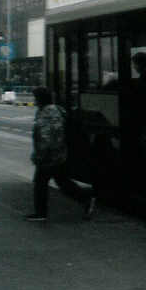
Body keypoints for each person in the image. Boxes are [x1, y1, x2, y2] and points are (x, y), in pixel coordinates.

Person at [25, 87, 96, 221]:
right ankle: (86, 199)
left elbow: (46, 139)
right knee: (63, 182)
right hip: (59, 153)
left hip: (50, 156)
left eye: (35, 97)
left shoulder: (47, 114)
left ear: (40, 99)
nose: (34, 100)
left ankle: (40, 213)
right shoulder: (56, 110)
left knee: (40, 183)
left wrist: (39, 156)